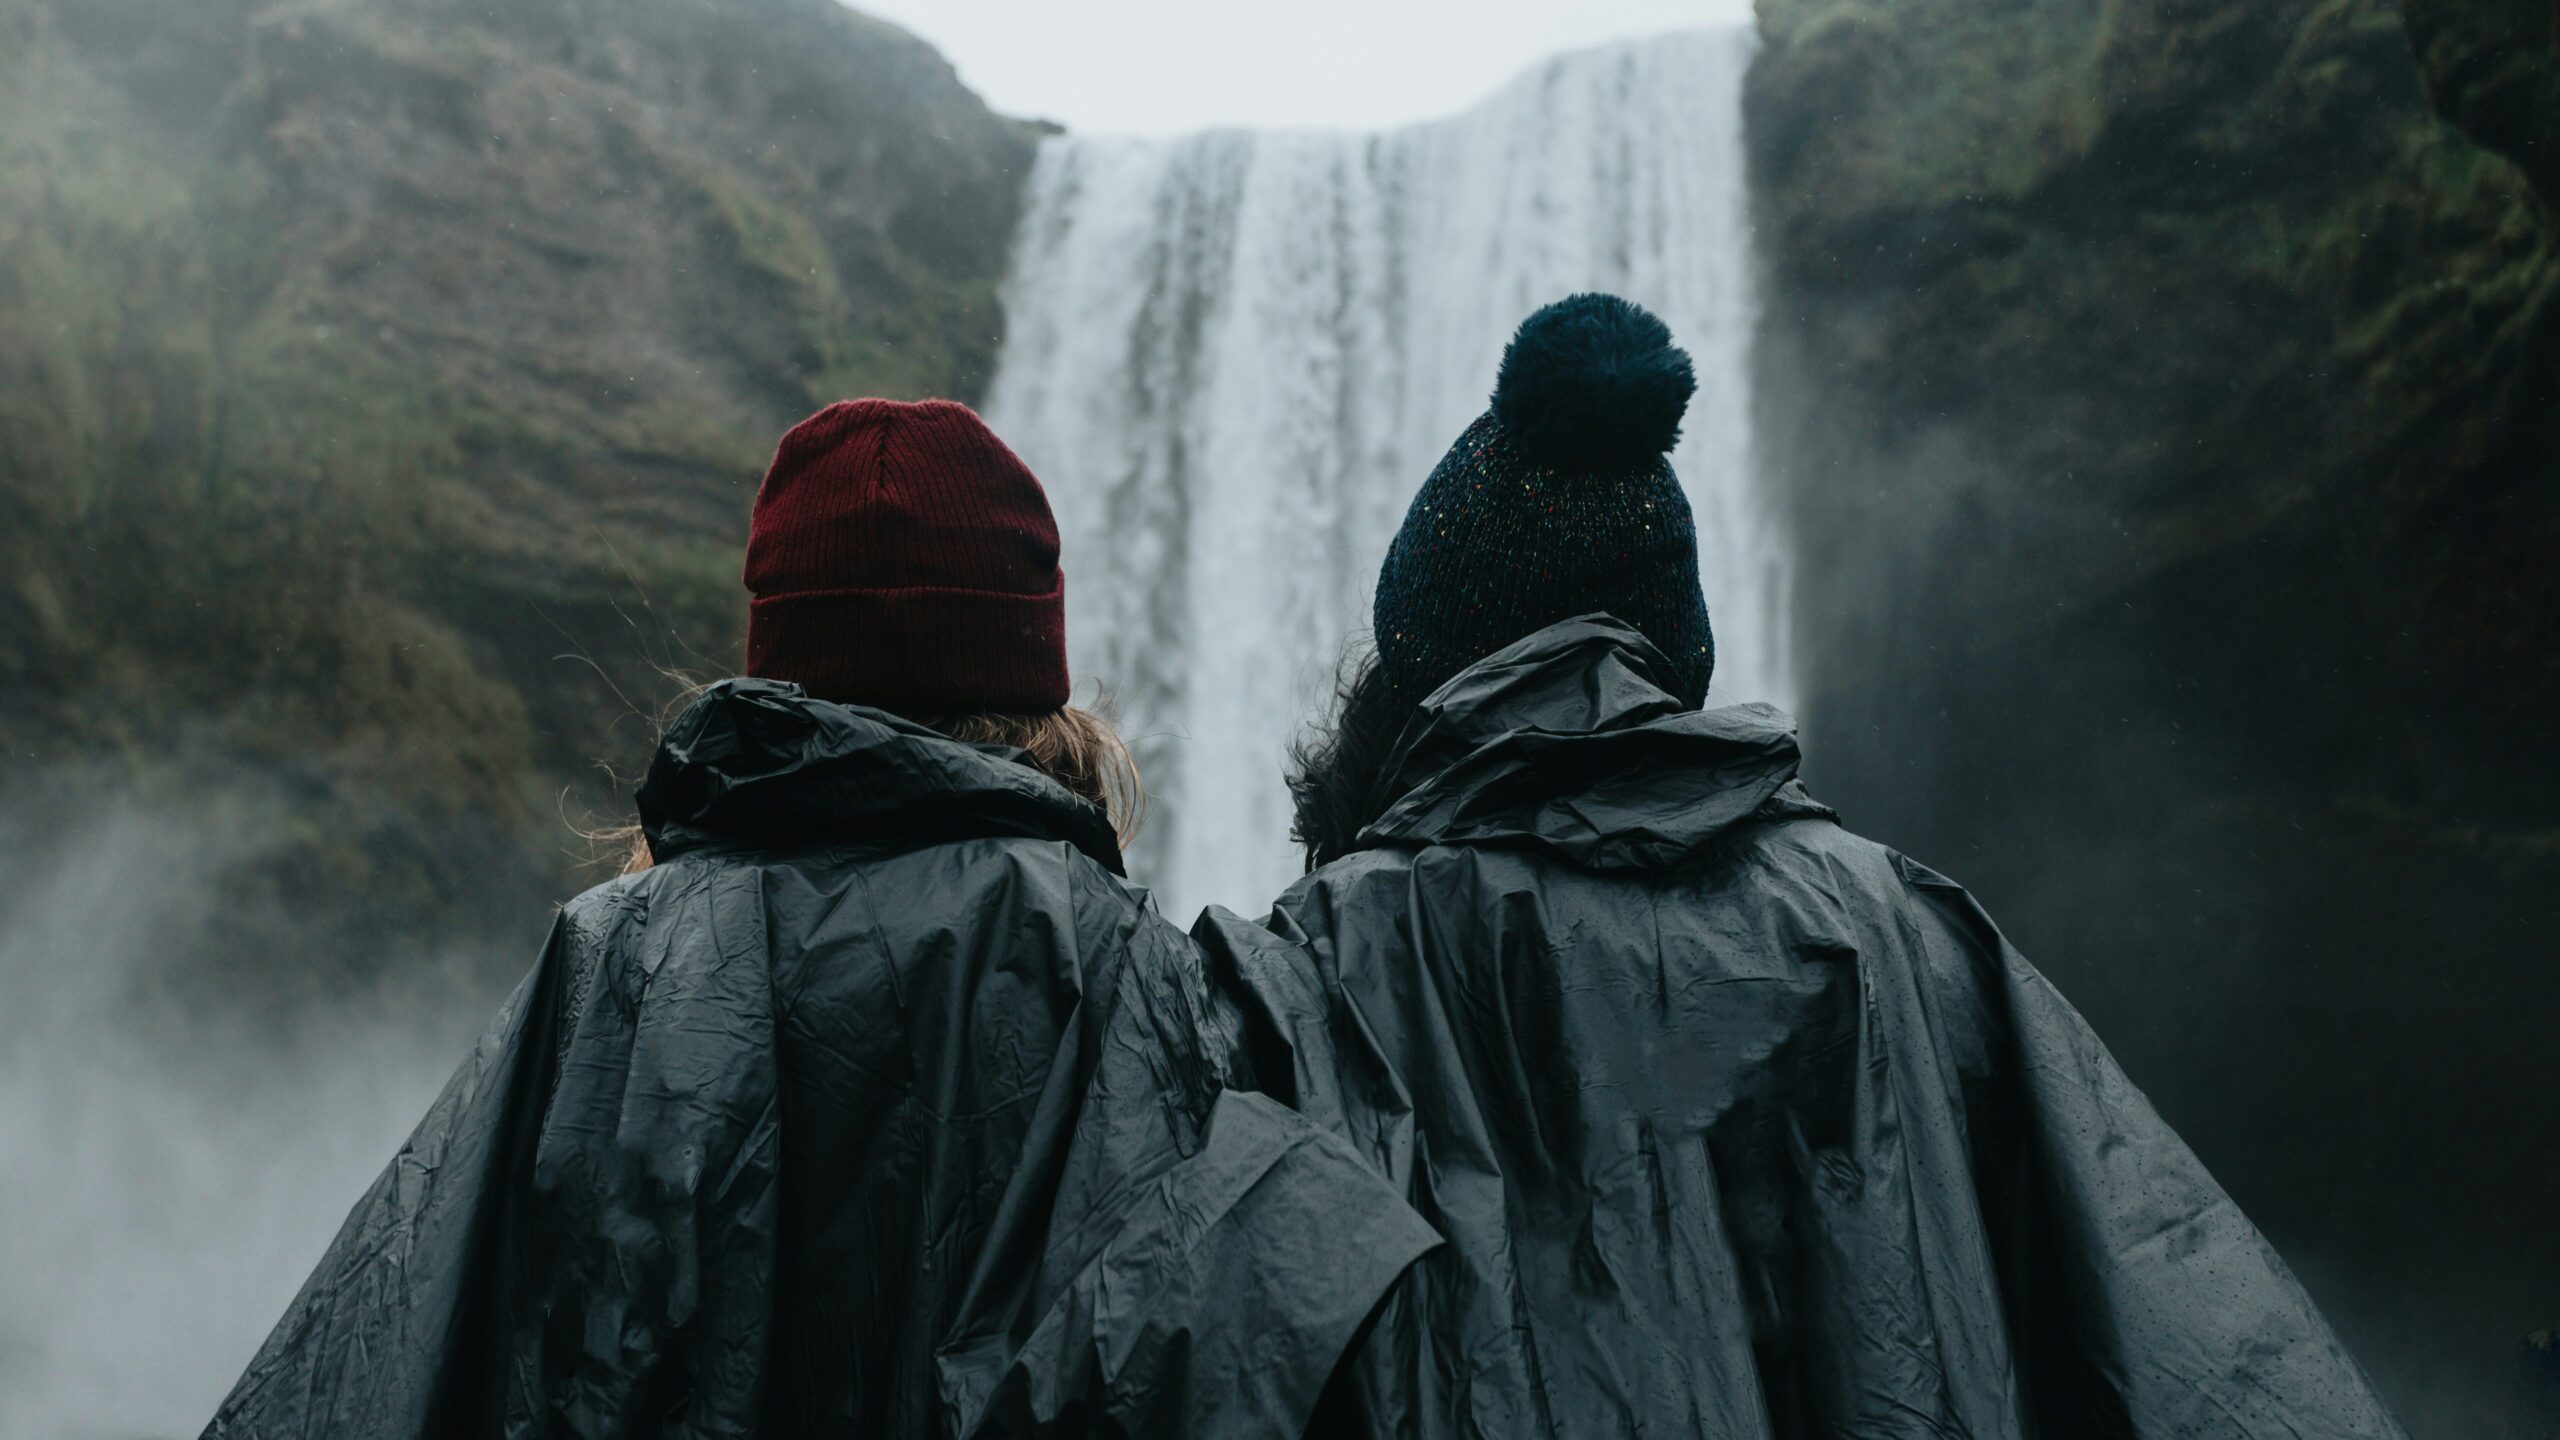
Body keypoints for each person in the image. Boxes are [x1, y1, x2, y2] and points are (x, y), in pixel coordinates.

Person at [1198, 295, 2408, 1437]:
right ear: (1681, 656)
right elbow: (2185, 1334)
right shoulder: (1909, 932)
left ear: (1409, 677)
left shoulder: (1308, 972)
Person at [205, 399, 1435, 1439]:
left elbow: (395, 1348)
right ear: (1036, 688)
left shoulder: (612, 960)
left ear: (771, 672)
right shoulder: (1147, 980)